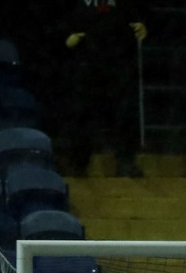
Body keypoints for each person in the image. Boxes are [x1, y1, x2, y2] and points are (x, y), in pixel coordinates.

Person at [60, 0, 148, 177]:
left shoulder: (123, 5)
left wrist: (142, 26)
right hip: (85, 62)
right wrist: (66, 38)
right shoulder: (76, 6)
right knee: (82, 113)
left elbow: (140, 17)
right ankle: (78, 163)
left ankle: (125, 162)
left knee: (124, 112)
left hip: (118, 61)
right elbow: (58, 25)